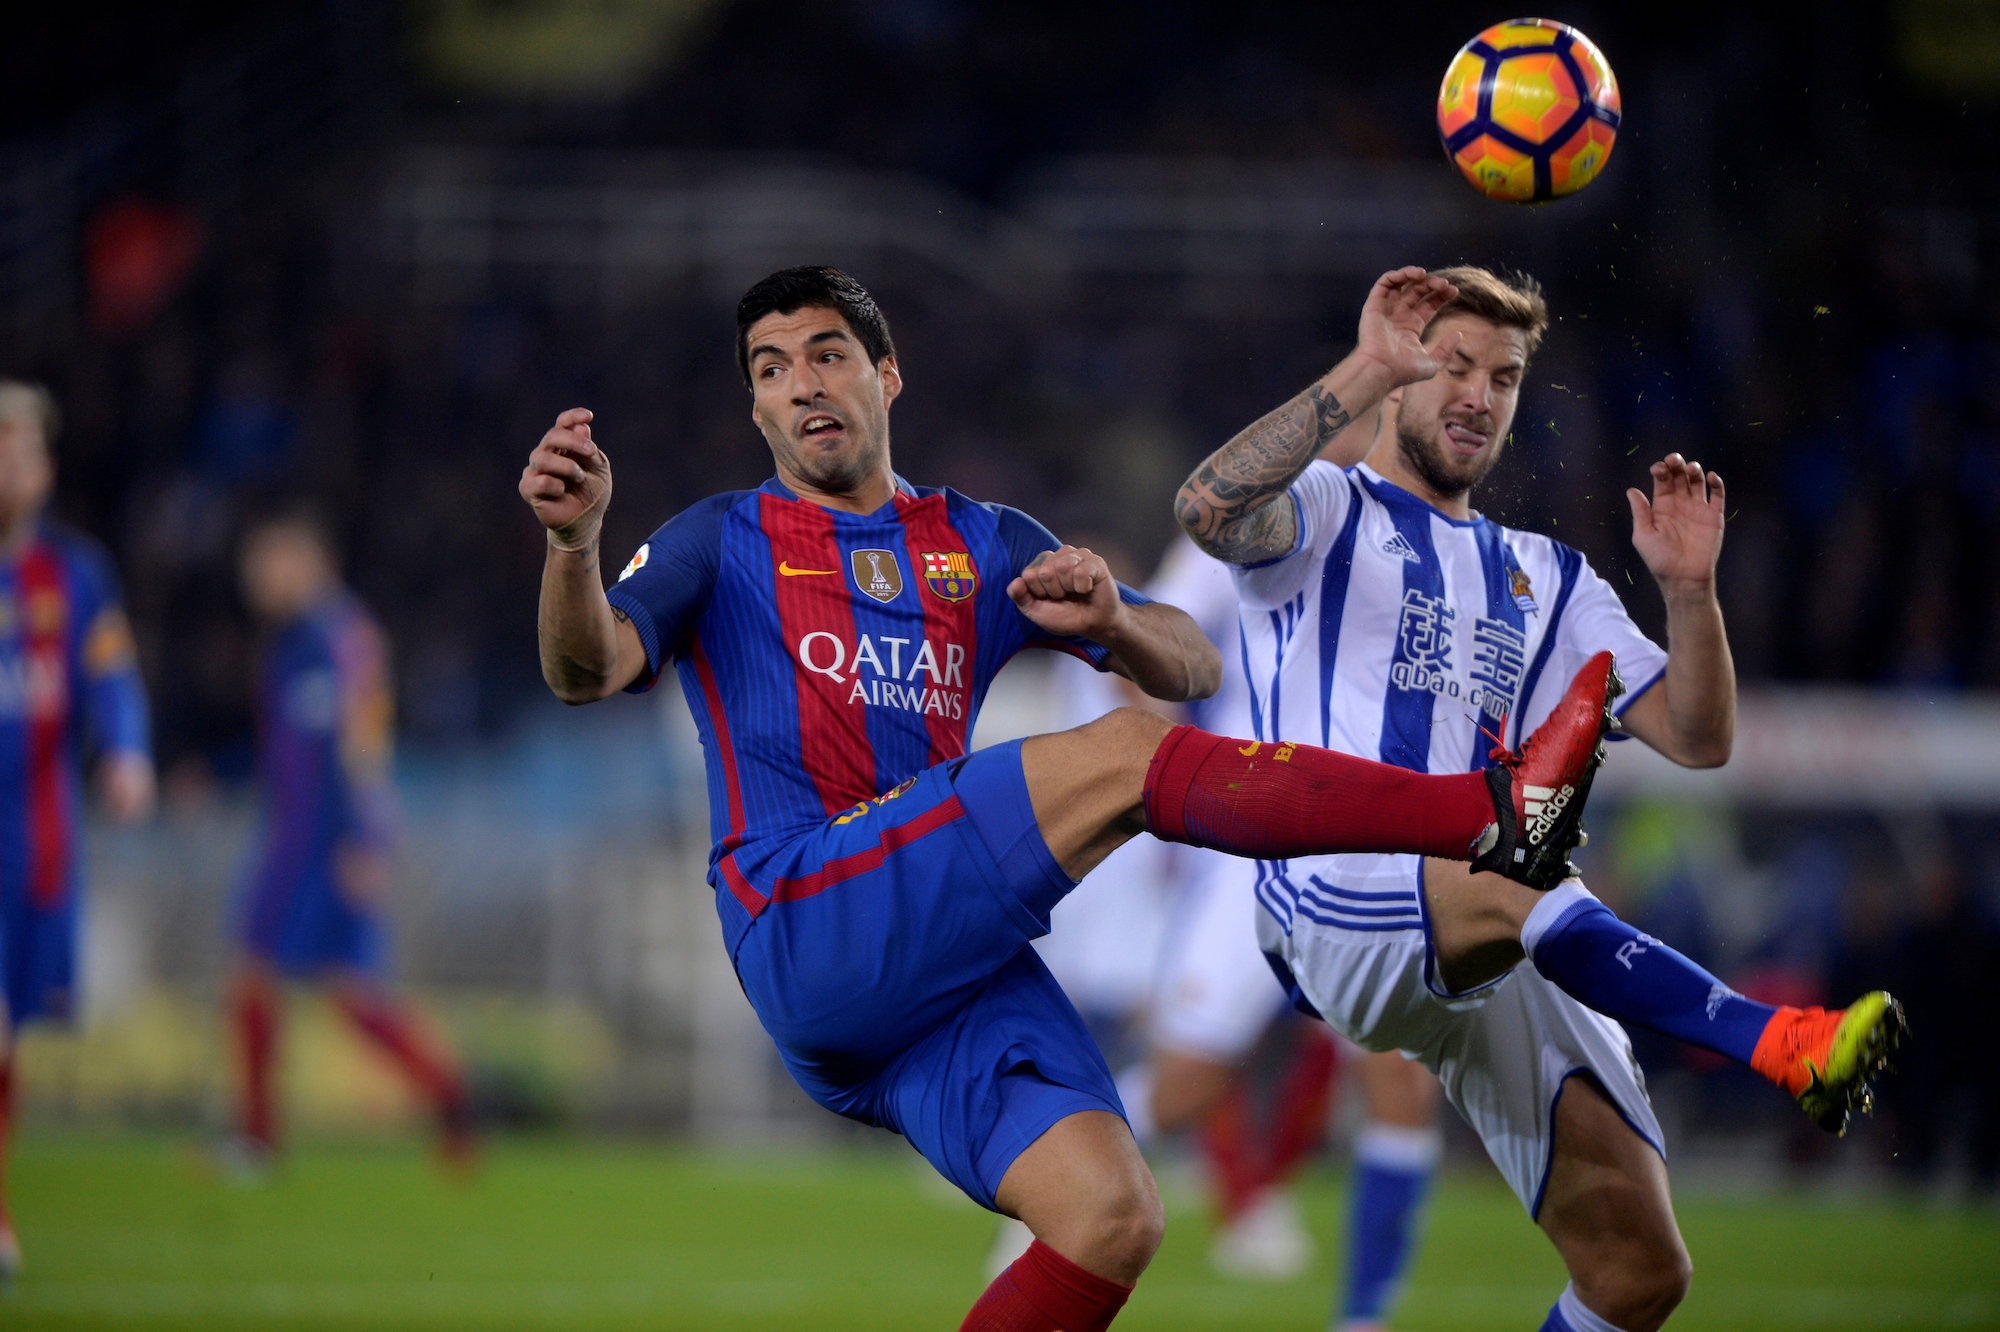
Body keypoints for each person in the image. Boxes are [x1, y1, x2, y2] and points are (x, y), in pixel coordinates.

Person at [520, 265, 1618, 1331]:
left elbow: (1193, 661)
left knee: (1111, 1216)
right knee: (1125, 755)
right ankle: (1480, 814)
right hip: (804, 908)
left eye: (826, 355)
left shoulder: (980, 539)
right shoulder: (723, 537)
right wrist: (573, 547)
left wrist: (1112, 620)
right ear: (754, 404)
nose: (801, 383)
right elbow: (586, 670)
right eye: (770, 369)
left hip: (934, 976)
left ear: (885, 375)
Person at [1175, 264, 1905, 1332]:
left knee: (1638, 1273)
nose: (1475, 393)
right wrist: (1365, 366)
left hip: (1484, 919)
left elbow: (1698, 738)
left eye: (1502, 375)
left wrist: (1689, 596)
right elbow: (1206, 506)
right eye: (1449, 363)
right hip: (1330, 890)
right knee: (1514, 857)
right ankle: (1772, 1039)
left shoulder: (1548, 579)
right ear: (1399, 376)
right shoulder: (1328, 511)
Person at [1131, 530, 1442, 1320]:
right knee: (1183, 1093)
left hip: (1373, 846)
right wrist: (1152, 775)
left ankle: (1361, 1319)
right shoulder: (1237, 522)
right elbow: (1144, 634)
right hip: (1251, 841)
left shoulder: (1425, 539)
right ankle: (1048, 1164)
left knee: (1400, 1084)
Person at [225, 512, 471, 1173]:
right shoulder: (287, 647)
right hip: (291, 838)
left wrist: (366, 838)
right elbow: (285, 752)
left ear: (311, 564)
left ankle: (453, 1100)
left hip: (332, 842)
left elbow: (365, 747)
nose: (260, 578)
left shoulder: (343, 639)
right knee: (254, 979)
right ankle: (257, 1138)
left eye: (272, 562)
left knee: (352, 996)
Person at [0, 380, 156, 1281]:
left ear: (46, 467)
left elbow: (110, 675)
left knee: (8, 1037)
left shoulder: (76, 574)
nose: (11, 466)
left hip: (36, 840)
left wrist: (128, 751)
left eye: (23, 451)